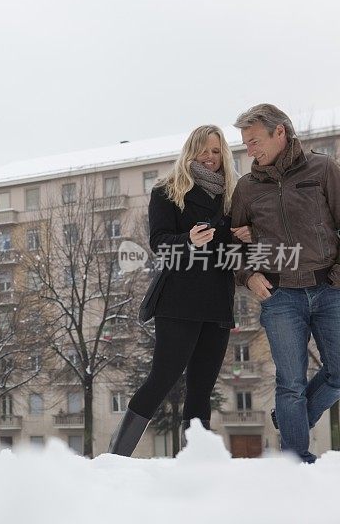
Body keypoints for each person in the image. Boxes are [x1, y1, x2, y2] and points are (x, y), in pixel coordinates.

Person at [108, 125, 238, 456]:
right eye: (202, 150)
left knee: (201, 388)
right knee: (163, 378)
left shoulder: (232, 196)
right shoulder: (168, 190)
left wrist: (243, 239)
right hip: (178, 301)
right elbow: (160, 245)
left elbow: (232, 254)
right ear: (190, 152)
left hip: (218, 304)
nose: (209, 158)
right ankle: (116, 456)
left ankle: (195, 461)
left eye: (215, 150)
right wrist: (188, 241)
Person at [230, 103, 340, 464]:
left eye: (255, 141)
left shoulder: (323, 168)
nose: (250, 150)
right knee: (289, 383)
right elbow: (233, 246)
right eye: (246, 144)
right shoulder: (246, 188)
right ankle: (296, 460)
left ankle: (291, 419)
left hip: (329, 289)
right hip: (280, 297)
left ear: (281, 133)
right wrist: (249, 276)